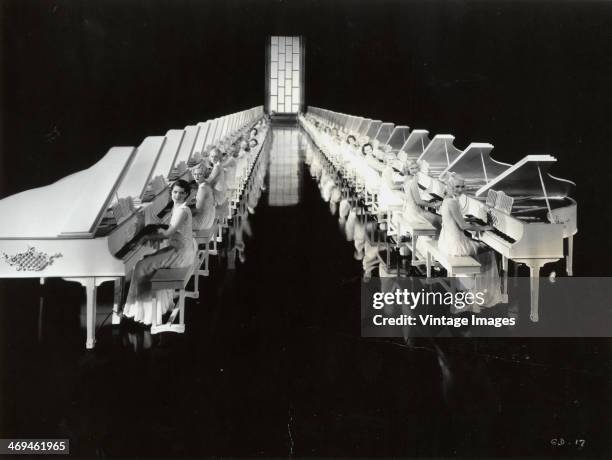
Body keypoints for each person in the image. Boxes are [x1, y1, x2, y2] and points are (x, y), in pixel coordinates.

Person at [122, 179, 197, 325]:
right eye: (175, 192)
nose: (177, 196)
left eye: (181, 193)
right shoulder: (179, 207)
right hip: (181, 249)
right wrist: (154, 228)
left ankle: (145, 313)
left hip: (180, 253)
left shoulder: (182, 210)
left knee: (141, 266)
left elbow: (169, 233)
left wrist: (146, 236)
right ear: (171, 192)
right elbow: (171, 227)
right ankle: (154, 307)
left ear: (187, 194)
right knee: (147, 261)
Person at [438, 173, 502, 308]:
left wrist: (473, 222)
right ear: (450, 186)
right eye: (457, 186)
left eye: (462, 186)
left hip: (447, 242)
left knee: (482, 247)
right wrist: (484, 226)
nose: (460, 189)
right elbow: (463, 226)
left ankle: (475, 286)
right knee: (489, 250)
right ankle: (483, 291)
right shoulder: (453, 202)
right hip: (457, 245)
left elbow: (457, 221)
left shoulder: (446, 199)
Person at [402, 159, 442, 228]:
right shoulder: (413, 181)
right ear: (407, 169)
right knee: (441, 220)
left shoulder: (407, 179)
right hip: (415, 213)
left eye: (416, 168)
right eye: (412, 168)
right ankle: (437, 237)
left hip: (408, 210)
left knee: (436, 217)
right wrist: (435, 204)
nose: (415, 170)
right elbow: (419, 202)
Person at [191, 161, 216, 234]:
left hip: (202, 223)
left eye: (200, 174)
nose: (197, 177)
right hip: (209, 220)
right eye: (195, 174)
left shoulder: (202, 188)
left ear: (204, 174)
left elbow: (197, 210)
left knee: (175, 223)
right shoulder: (206, 184)